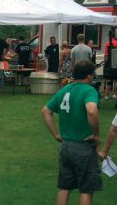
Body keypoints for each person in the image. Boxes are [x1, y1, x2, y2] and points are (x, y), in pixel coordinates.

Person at [41, 60, 102, 205]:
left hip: (66, 146)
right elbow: (92, 111)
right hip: (83, 145)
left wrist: (56, 134)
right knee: (86, 188)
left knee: (64, 187)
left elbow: (46, 111)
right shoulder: (89, 90)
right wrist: (97, 134)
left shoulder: (64, 90)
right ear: (88, 76)